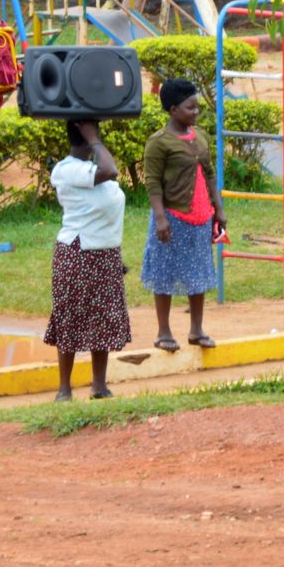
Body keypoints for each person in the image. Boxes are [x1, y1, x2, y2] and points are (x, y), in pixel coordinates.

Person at [45, 119, 131, 402]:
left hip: (105, 252)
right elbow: (110, 169)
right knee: (70, 318)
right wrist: (94, 139)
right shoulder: (67, 169)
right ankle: (64, 389)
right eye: (95, 132)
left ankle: (99, 385)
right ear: (85, 134)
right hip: (77, 252)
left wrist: (114, 257)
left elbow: (106, 208)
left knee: (102, 320)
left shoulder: (91, 171)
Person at [142, 78, 226, 351]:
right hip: (172, 217)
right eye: (190, 108)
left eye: (197, 108)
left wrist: (218, 210)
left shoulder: (200, 136)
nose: (195, 113)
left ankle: (196, 329)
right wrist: (160, 218)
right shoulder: (159, 142)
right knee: (164, 273)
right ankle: (164, 331)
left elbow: (210, 174)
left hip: (201, 216)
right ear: (173, 109)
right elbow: (153, 183)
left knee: (198, 273)